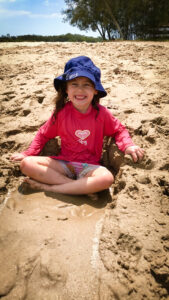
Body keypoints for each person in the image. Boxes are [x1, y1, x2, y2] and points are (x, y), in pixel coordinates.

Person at [11, 56, 144, 197]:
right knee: (26, 164)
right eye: (74, 84)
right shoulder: (61, 113)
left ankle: (52, 188)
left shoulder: (102, 114)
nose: (80, 90)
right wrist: (27, 153)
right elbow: (44, 134)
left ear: (95, 90)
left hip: (90, 167)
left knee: (107, 178)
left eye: (86, 84)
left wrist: (128, 145)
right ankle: (75, 187)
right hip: (64, 164)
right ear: (66, 89)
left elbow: (119, 131)